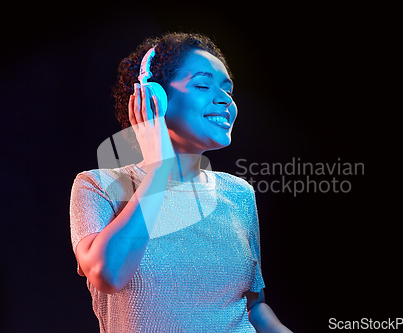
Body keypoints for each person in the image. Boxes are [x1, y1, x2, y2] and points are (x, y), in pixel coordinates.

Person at [70, 32, 292, 332]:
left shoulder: (239, 194)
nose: (224, 99)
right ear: (153, 98)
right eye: (202, 85)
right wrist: (160, 170)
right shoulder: (98, 186)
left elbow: (253, 307)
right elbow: (107, 274)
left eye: (228, 90)